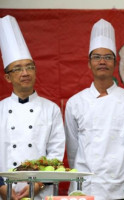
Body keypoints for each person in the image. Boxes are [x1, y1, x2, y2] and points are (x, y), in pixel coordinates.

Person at [65, 18, 124, 200]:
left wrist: (123, 173)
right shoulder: (75, 102)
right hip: (84, 187)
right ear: (89, 63)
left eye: (108, 57)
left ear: (115, 63)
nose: (102, 61)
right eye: (97, 57)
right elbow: (73, 149)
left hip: (120, 187)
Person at [0, 15, 65, 200]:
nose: (25, 73)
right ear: (7, 77)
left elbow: (56, 155)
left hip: (41, 193)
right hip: (5, 192)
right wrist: (1, 188)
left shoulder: (51, 109)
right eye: (18, 69)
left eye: (30, 67)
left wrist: (38, 184)